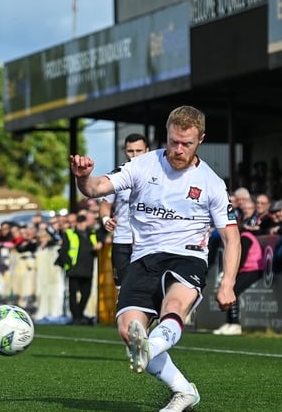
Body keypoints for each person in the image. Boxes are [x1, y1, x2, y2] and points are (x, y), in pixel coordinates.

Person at [70, 105, 240, 412]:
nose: (178, 149)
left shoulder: (211, 183)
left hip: (187, 257)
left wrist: (227, 282)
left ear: (201, 139)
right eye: (173, 141)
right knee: (128, 331)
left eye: (186, 143)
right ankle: (184, 391)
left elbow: (231, 237)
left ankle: (150, 347)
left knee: (173, 306)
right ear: (166, 134)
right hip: (144, 259)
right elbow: (96, 188)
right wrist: (83, 178)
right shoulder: (143, 165)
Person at [100, 133, 149, 288]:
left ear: (147, 150)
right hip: (122, 240)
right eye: (130, 151)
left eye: (139, 151)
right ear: (124, 152)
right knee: (122, 288)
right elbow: (105, 206)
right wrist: (106, 220)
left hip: (148, 241)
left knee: (146, 288)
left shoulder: (158, 175)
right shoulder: (117, 176)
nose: (134, 155)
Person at [213, 218, 263, 336]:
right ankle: (229, 322)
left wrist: (231, 274)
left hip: (253, 269)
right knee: (229, 292)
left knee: (233, 291)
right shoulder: (242, 237)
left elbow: (241, 259)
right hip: (247, 269)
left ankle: (235, 324)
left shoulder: (245, 238)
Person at [56, 210, 100, 325]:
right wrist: (69, 265)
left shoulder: (92, 234)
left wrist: (96, 248)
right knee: (73, 294)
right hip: (74, 269)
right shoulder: (69, 233)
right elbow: (64, 251)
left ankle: (79, 315)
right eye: (79, 222)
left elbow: (95, 250)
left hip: (87, 268)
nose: (81, 224)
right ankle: (76, 317)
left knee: (86, 294)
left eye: (83, 222)